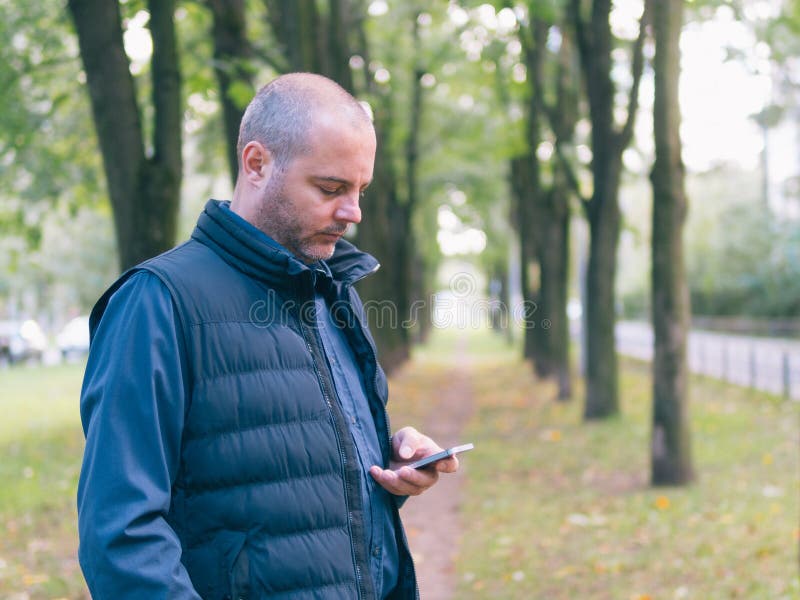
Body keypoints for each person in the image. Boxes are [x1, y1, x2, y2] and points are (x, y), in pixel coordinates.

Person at [77, 73, 458, 599]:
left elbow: (281, 488)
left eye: (360, 190)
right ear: (257, 163)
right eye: (331, 189)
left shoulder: (334, 293)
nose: (354, 212)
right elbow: (120, 539)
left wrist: (386, 463)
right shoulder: (157, 303)